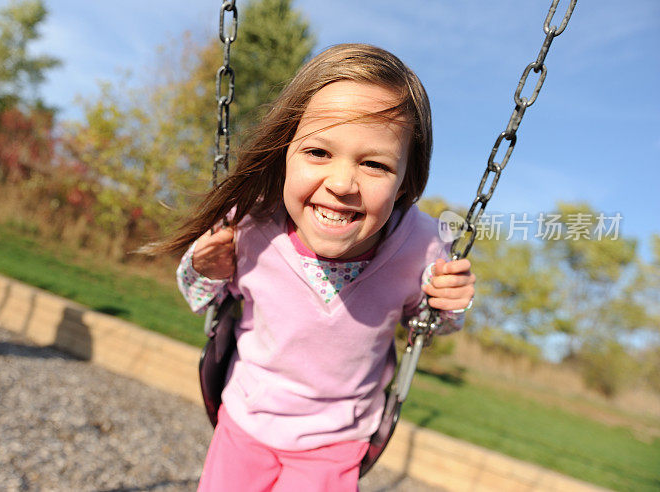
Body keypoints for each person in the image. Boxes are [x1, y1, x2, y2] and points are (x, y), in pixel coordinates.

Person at [158, 44, 475, 491]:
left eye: (374, 164)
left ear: (408, 179)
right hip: (246, 419)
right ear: (285, 150)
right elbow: (198, 296)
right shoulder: (250, 225)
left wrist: (449, 304)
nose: (342, 183)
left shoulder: (420, 246)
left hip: (337, 440)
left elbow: (432, 325)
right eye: (319, 153)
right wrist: (205, 266)